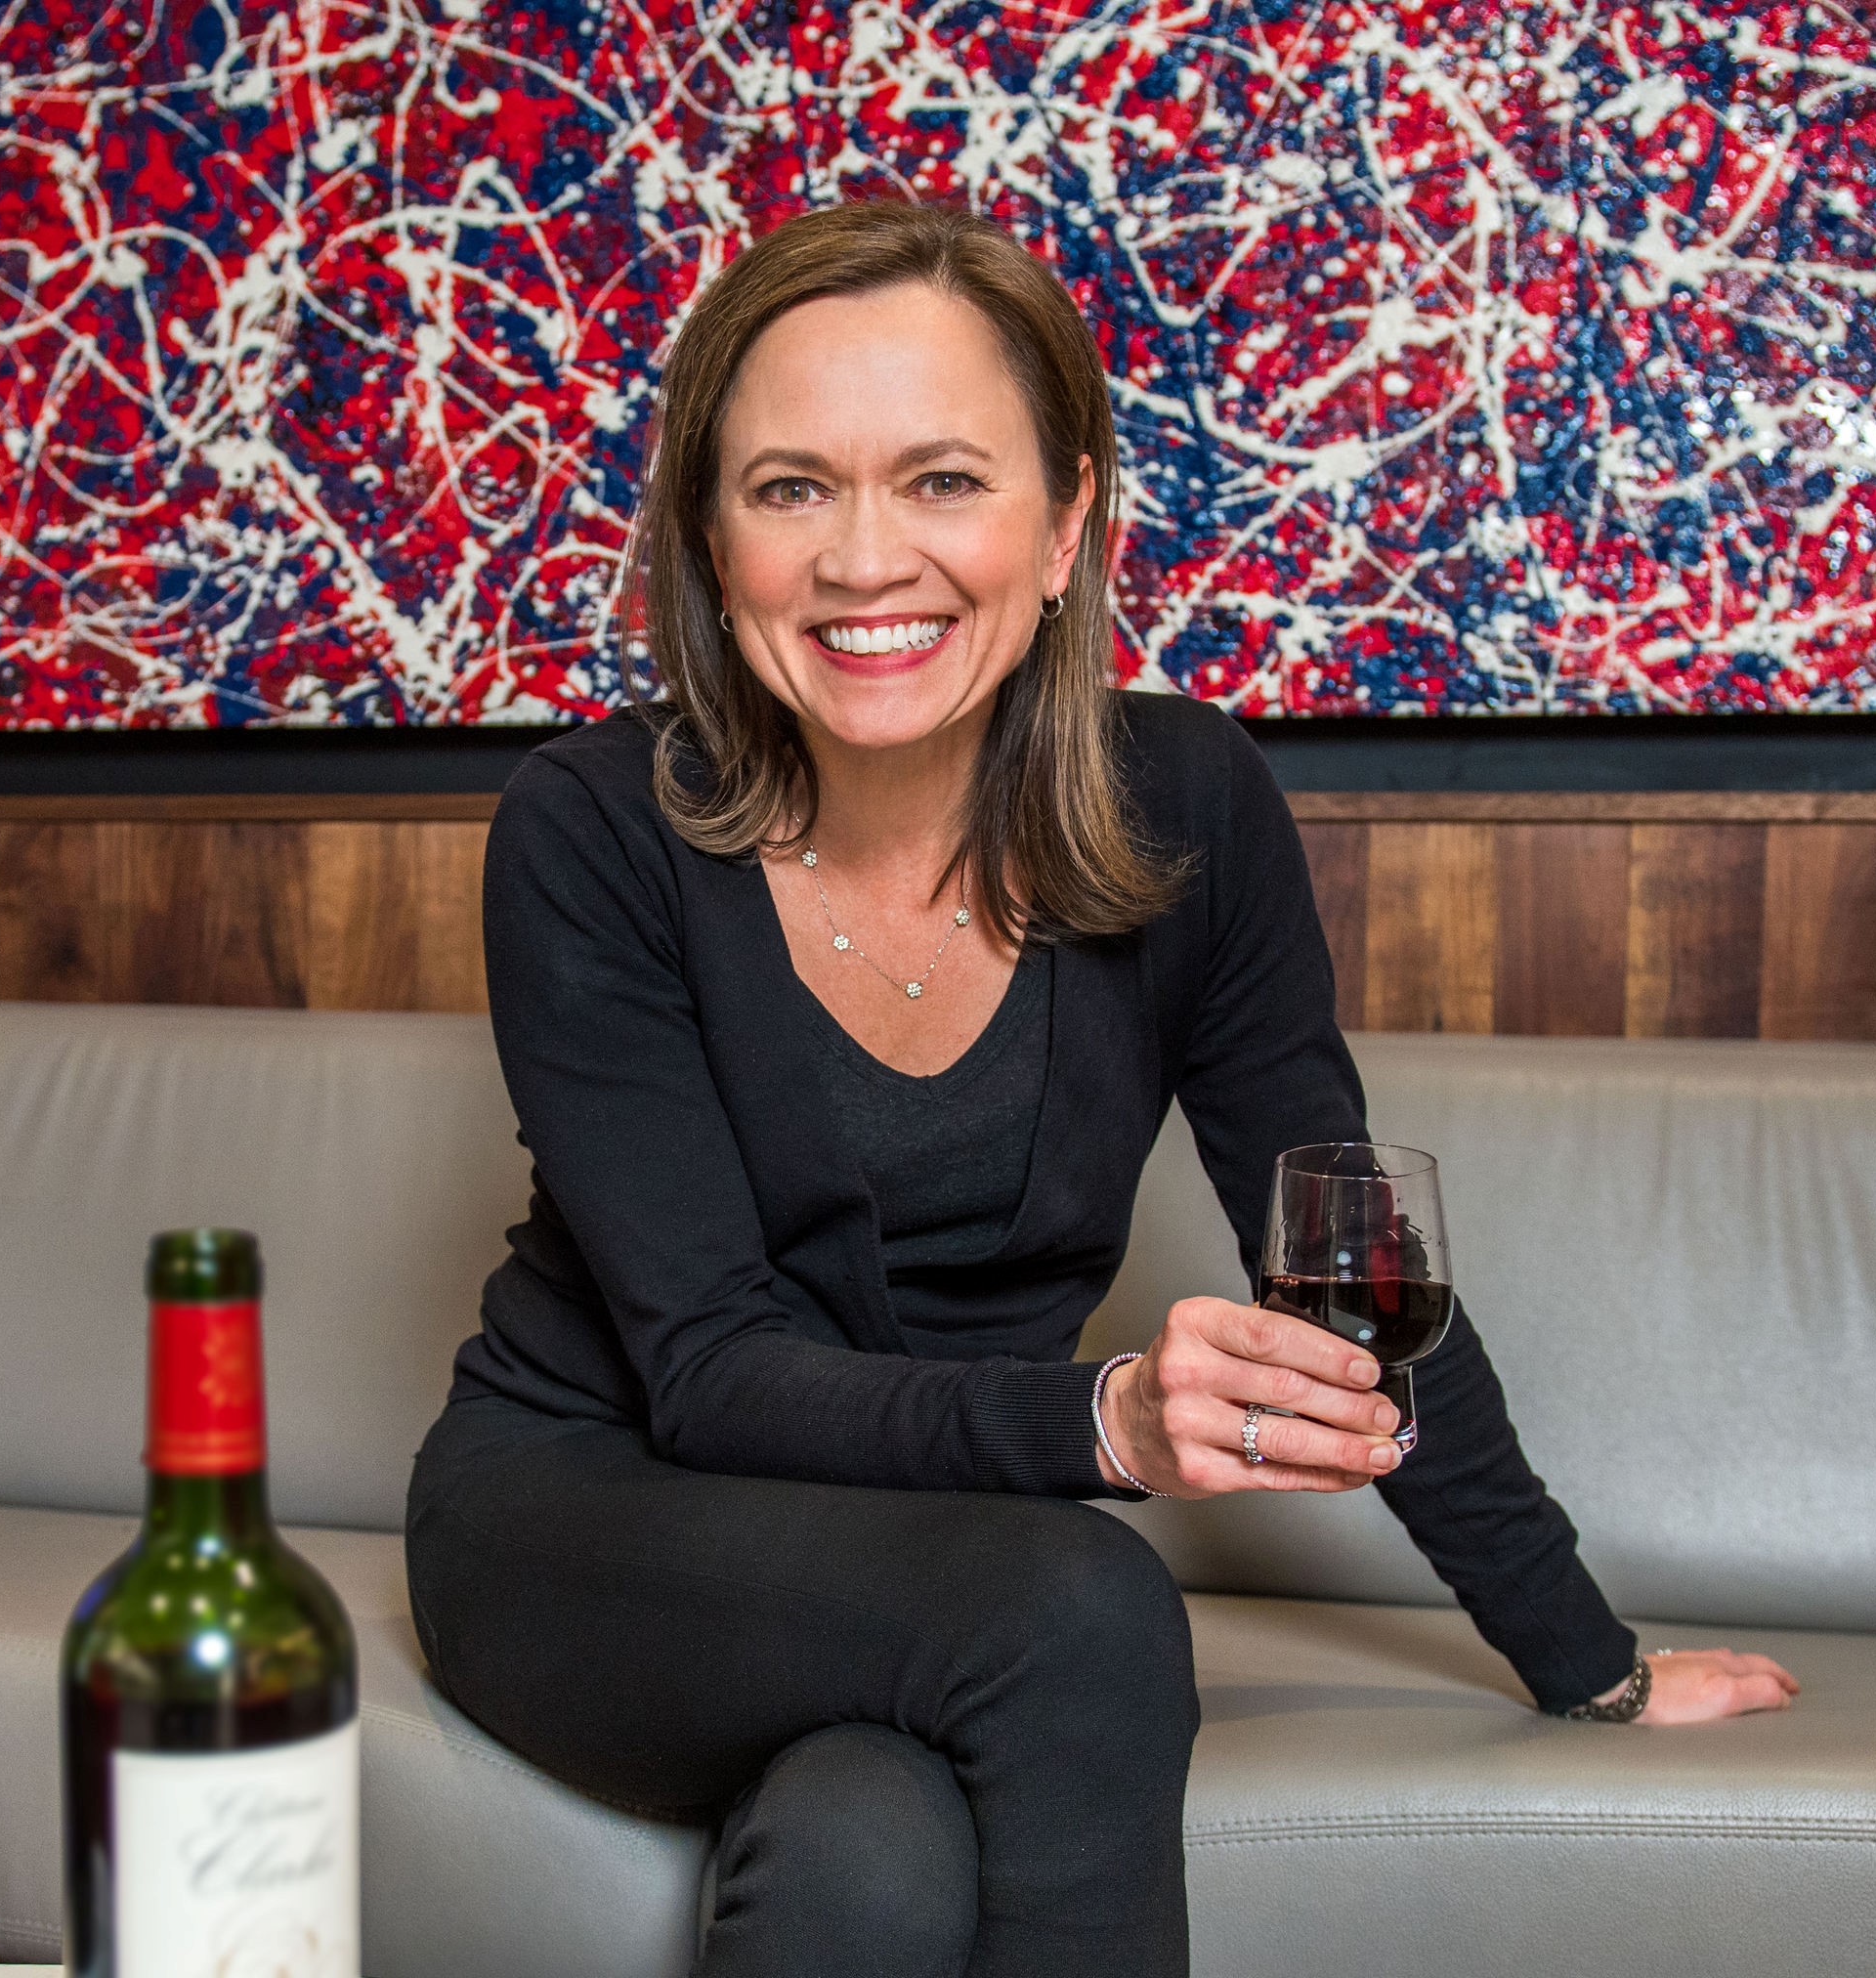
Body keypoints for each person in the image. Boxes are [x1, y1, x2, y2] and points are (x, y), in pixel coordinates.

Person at [404, 201, 1798, 1978]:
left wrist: (1584, 1659)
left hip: (927, 1565)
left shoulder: (1186, 808)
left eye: (942, 480)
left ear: (1065, 524)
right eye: (790, 489)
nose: (864, 560)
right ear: (710, 538)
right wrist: (1108, 1428)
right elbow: (709, 1373)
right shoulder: (593, 832)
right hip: (590, 1523)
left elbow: (1355, 1278)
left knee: (864, 1857)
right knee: (1084, 1607)